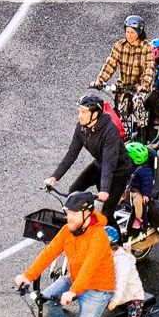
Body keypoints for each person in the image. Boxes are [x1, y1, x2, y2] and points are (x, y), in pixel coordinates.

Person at [46, 94, 133, 223]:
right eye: (79, 111)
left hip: (118, 172)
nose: (79, 116)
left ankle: (117, 242)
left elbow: (109, 164)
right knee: (73, 192)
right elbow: (71, 154)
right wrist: (54, 177)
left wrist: (104, 190)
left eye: (84, 112)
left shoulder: (110, 132)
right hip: (99, 165)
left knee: (106, 215)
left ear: (95, 114)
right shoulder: (81, 128)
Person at [105, 226, 149, 317]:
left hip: (132, 297)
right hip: (115, 294)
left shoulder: (121, 261)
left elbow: (121, 284)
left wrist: (114, 302)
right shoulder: (108, 256)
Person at [91, 15, 156, 109]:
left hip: (139, 87)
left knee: (138, 103)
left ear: (139, 33)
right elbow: (110, 64)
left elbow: (149, 68)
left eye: (133, 32)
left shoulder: (146, 47)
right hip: (123, 86)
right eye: (127, 32)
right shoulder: (119, 45)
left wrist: (144, 85)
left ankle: (142, 124)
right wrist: (100, 80)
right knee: (118, 109)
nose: (129, 35)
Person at [123, 143, 155, 234]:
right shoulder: (130, 166)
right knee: (116, 196)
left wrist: (146, 194)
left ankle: (138, 218)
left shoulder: (145, 171)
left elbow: (147, 184)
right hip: (128, 189)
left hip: (138, 192)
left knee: (137, 202)